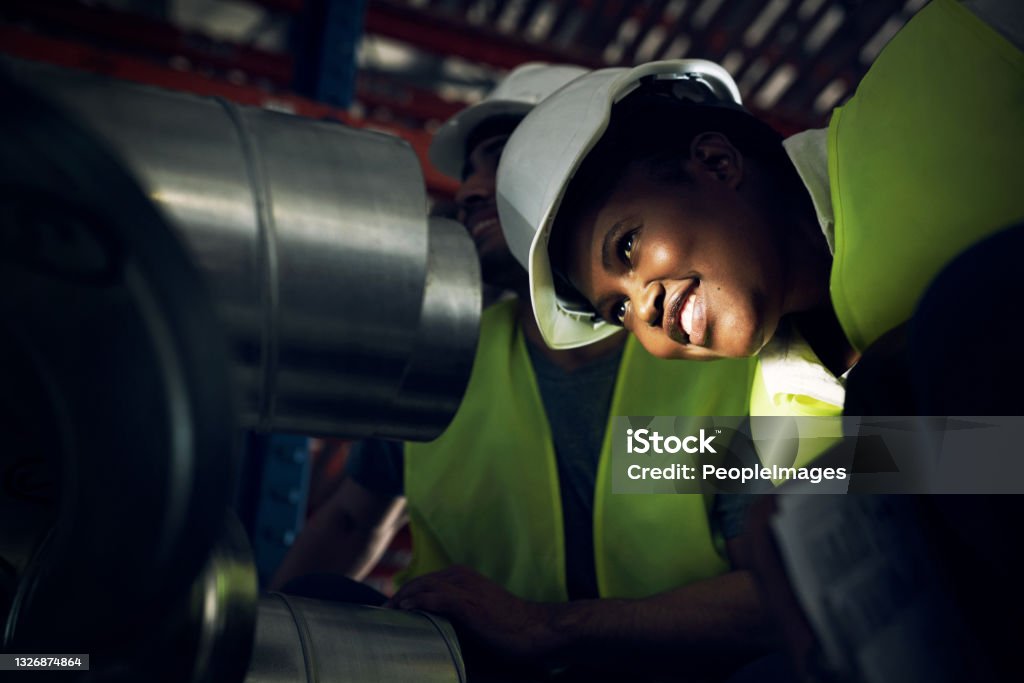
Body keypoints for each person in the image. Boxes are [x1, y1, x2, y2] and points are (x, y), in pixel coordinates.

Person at [273, 63, 773, 679]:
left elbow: (789, 587)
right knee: (325, 607)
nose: (471, 191)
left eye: (501, 162)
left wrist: (549, 629)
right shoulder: (443, 361)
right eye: (471, 174)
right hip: (476, 668)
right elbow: (353, 518)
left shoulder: (720, 343)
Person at [495, 0, 1024, 420]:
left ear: (716, 162)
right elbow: (998, 477)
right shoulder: (785, 435)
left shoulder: (963, 53)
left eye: (626, 247)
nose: (644, 310)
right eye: (618, 311)